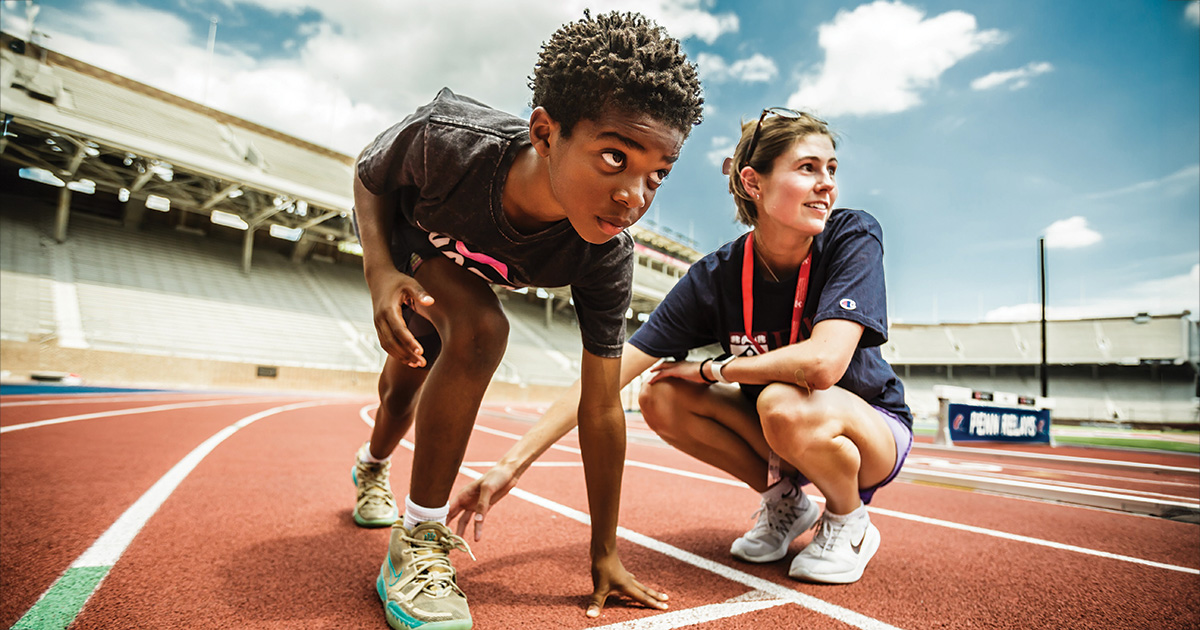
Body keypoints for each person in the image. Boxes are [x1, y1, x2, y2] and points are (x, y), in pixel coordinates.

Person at [450, 107, 913, 588]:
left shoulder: (851, 235)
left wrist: (713, 370)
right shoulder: (717, 276)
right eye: (807, 168)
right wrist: (509, 465)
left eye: (831, 169)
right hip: (781, 433)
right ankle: (785, 502)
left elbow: (822, 366)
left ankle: (848, 520)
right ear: (754, 183)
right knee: (660, 394)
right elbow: (611, 372)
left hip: (869, 431)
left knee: (781, 402)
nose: (827, 185)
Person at [348, 11, 703, 629]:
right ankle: (413, 532)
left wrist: (606, 552)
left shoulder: (604, 253)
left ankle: (373, 470)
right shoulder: (448, 141)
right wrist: (379, 270)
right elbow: (369, 176)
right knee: (459, 346)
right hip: (413, 242)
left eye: (658, 175)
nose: (634, 197)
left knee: (411, 383)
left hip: (463, 274)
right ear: (545, 132)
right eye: (614, 157)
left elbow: (599, 406)